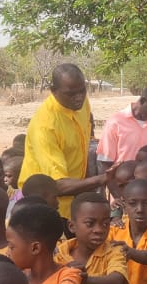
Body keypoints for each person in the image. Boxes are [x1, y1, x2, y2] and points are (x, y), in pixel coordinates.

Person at [21, 63, 110, 216]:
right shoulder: (45, 126)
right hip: (45, 208)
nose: (79, 97)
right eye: (71, 94)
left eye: (82, 91)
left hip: (74, 198)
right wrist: (103, 179)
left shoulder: (82, 104)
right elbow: (58, 185)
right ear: (53, 91)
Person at [7, 203, 81, 284]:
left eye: (11, 247)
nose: (7, 252)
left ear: (35, 248)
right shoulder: (15, 278)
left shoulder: (68, 274)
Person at [97, 85, 147, 168]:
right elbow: (105, 159)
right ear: (142, 101)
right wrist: (115, 175)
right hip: (122, 176)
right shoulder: (115, 122)